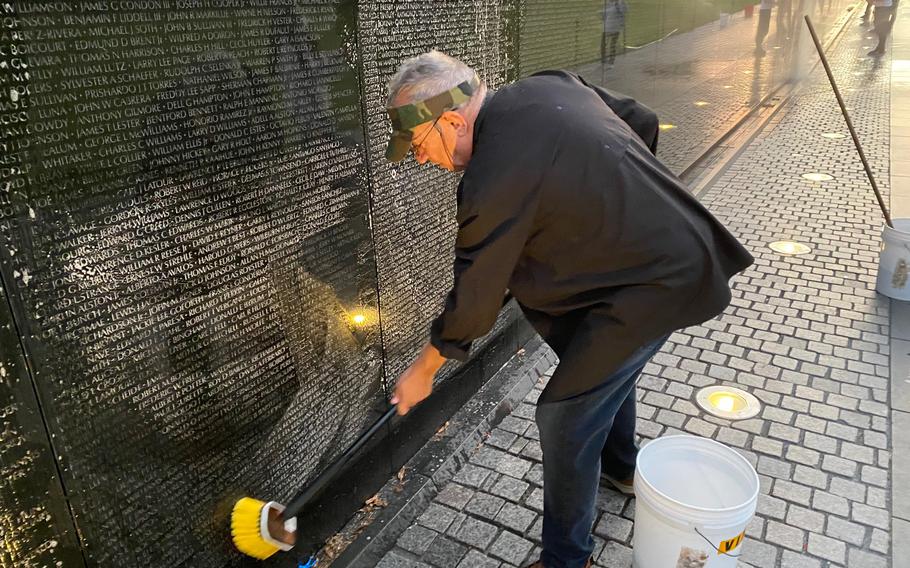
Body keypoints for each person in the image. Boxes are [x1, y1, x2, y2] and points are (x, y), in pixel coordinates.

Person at [384, 51, 753, 568]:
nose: (422, 159)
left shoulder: (493, 177)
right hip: (652, 267)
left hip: (655, 285)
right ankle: (622, 467)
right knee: (596, 370)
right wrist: (613, 205)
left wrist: (423, 370)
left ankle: (566, 561)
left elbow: (475, 300)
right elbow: (640, 119)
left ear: (449, 120)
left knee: (564, 419)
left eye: (419, 145)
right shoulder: (548, 85)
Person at [601, 0, 627, 67]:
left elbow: (624, 12)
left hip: (615, 28)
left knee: (612, 45)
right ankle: (603, 60)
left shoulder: (620, 3)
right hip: (606, 27)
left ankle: (611, 62)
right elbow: (603, 15)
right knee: (603, 44)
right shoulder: (607, 3)